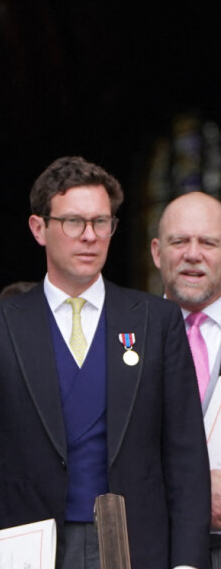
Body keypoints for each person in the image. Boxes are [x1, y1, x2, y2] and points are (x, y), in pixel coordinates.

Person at [0, 156, 210, 568]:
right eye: (73, 222)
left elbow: (185, 457)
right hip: (30, 547)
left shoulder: (156, 322)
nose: (89, 236)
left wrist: (188, 563)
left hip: (136, 547)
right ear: (39, 228)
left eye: (100, 222)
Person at [151, 191, 221, 568]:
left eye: (208, 242)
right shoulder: (121, 335)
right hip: (154, 549)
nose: (193, 254)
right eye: (180, 241)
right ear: (157, 252)